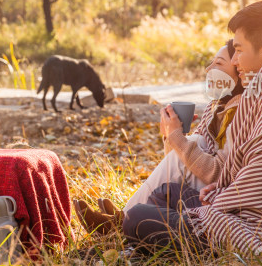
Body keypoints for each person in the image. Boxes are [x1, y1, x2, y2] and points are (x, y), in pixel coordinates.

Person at [122, 0, 262, 256]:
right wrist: (222, 188)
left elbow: (261, 183)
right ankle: (136, 249)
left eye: (239, 51)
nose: (235, 62)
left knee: (136, 218)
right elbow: (252, 163)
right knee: (169, 193)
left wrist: (222, 196)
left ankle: (134, 242)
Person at [74, 39, 244, 234]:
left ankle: (120, 224)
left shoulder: (241, 111)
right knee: (196, 142)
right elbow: (174, 164)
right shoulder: (217, 107)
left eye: (219, 63)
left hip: (223, 191)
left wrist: (176, 137)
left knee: (194, 144)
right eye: (211, 62)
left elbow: (215, 172)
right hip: (208, 184)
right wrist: (169, 135)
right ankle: (123, 219)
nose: (208, 69)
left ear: (239, 70)